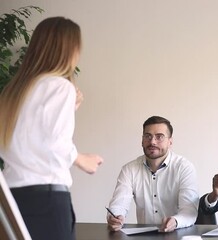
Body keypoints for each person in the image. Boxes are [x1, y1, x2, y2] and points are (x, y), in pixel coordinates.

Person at [0, 17, 104, 240]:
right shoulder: (60, 87)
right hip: (47, 202)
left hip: (12, 200)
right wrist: (80, 159)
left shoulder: (12, 93)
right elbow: (55, 143)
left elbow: (23, 139)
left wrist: (69, 108)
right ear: (69, 49)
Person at [107, 116, 199, 232]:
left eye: (159, 137)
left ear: (170, 141)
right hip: (144, 235)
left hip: (178, 233)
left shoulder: (184, 168)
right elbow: (119, 204)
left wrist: (175, 221)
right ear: (142, 140)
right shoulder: (129, 169)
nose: (152, 142)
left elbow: (189, 211)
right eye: (147, 136)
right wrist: (115, 217)